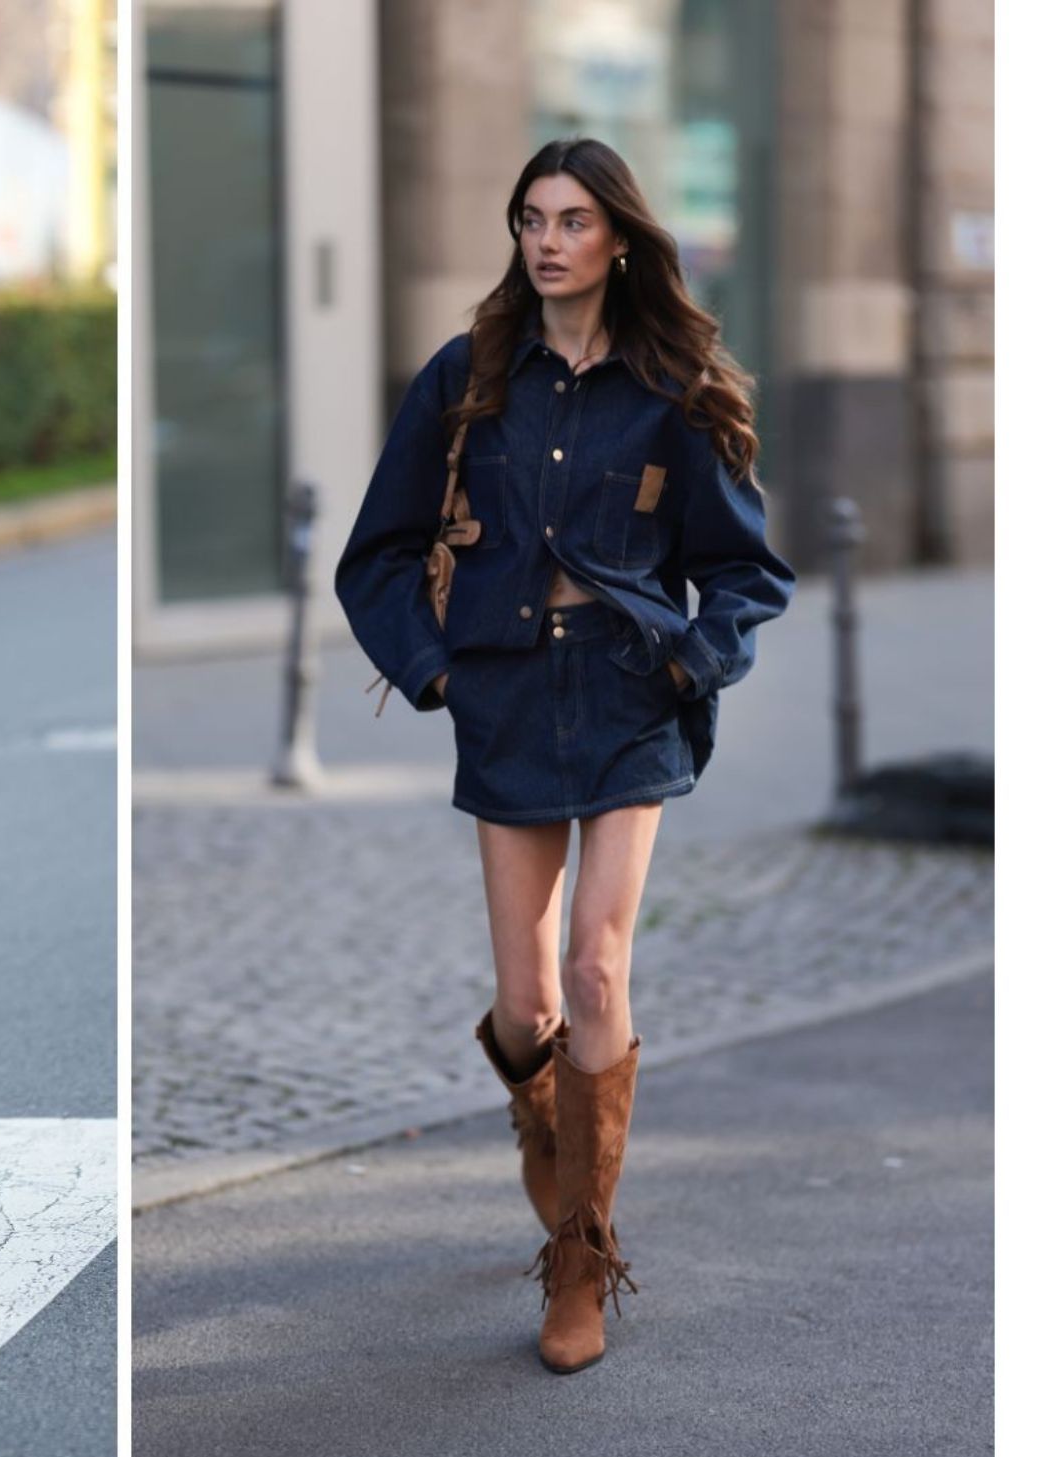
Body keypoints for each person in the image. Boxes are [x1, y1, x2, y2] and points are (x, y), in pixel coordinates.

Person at [334, 139, 795, 1372]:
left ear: (619, 241)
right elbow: (375, 552)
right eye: (531, 218)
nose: (548, 240)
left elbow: (748, 571)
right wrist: (434, 670)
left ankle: (582, 1256)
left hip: (630, 696)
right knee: (528, 1000)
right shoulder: (467, 376)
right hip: (505, 700)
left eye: (574, 220)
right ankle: (542, 1116)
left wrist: (698, 663)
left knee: (597, 972)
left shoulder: (674, 385)